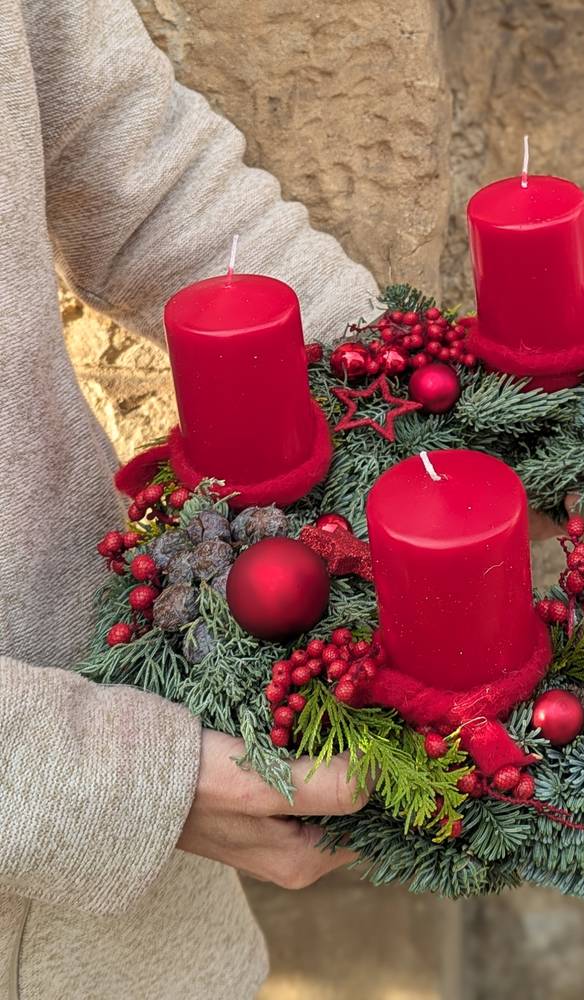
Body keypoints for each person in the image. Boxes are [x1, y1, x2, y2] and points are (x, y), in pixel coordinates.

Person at [0, 1, 382, 996]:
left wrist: (403, 405)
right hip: (95, 789)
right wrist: (118, 783)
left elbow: (145, 177)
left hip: (129, 909)